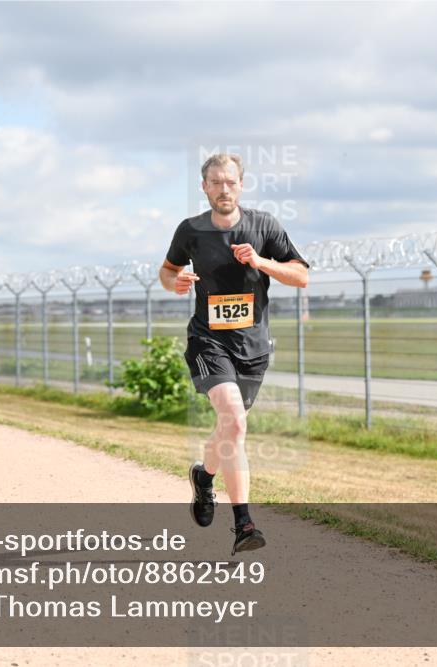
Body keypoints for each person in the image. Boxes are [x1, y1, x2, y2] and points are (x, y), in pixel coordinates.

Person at [159, 153, 309, 555]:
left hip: (253, 349)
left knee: (229, 429)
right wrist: (176, 282)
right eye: (215, 182)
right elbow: (167, 270)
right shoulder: (190, 230)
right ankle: (244, 524)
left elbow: (302, 275)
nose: (223, 189)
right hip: (209, 341)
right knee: (235, 423)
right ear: (204, 187)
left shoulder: (264, 226)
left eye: (230, 182)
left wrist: (261, 262)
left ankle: (204, 476)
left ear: (240, 185)